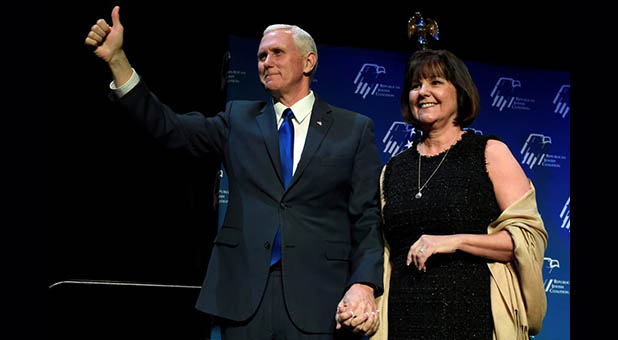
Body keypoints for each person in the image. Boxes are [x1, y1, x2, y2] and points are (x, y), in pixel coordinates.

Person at [84, 6, 383, 340]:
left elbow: (366, 217)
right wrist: (117, 61)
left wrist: (364, 283)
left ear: (308, 62)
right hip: (243, 297)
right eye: (261, 56)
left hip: (319, 299)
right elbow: (170, 128)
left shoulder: (352, 129)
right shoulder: (238, 119)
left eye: (277, 53)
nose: (266, 62)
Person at [370, 49, 548, 340]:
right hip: (404, 320)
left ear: (460, 92)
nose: (423, 92)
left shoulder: (489, 153)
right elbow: (382, 250)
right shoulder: (393, 169)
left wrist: (454, 241)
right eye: (416, 85)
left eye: (435, 82)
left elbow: (524, 240)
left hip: (473, 320)